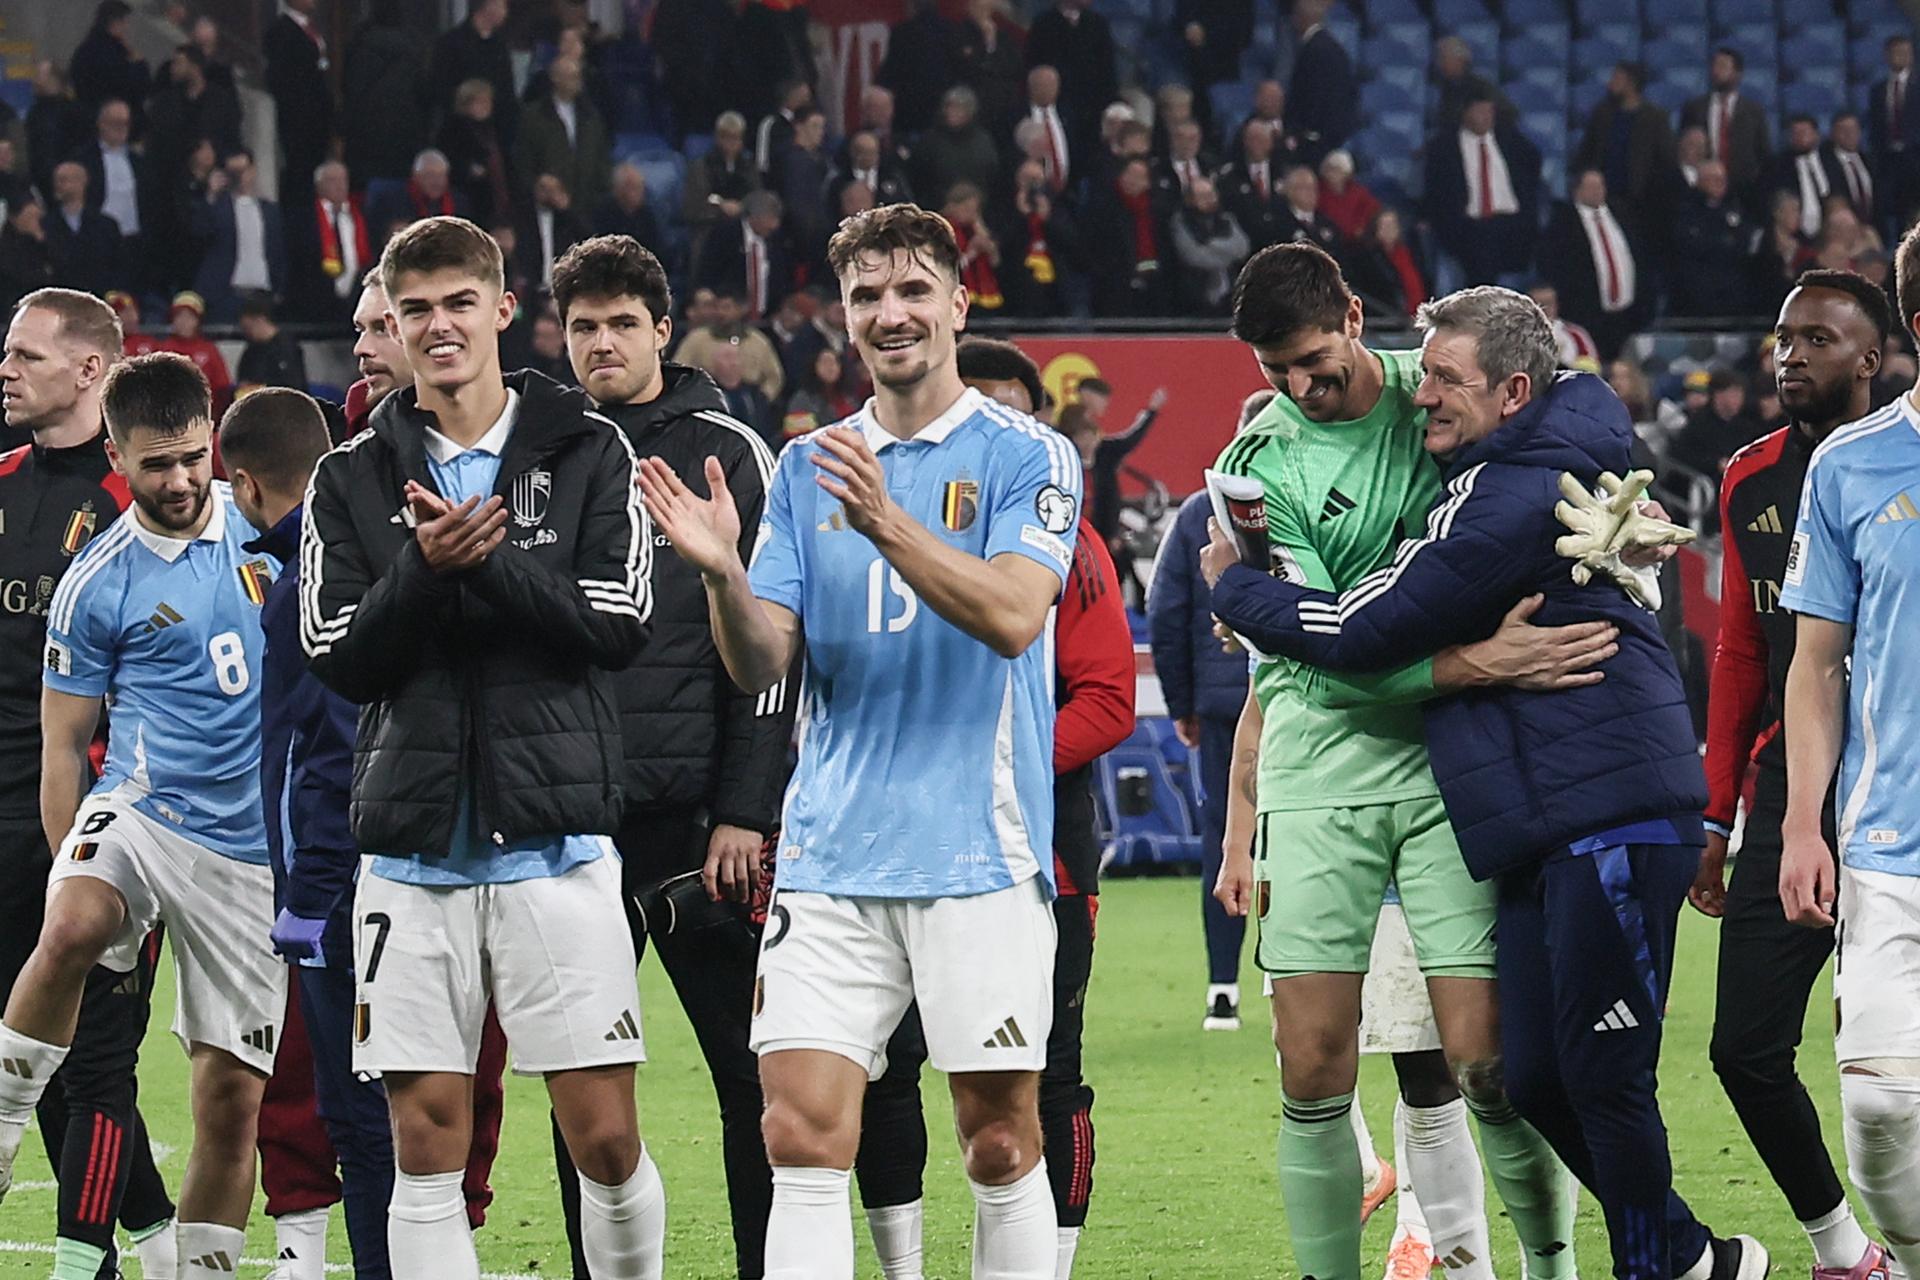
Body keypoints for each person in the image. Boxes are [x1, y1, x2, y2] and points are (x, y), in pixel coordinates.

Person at [1204, 281, 1766, 1280]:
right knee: (1536, 1074)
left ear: (1511, 390)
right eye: (1271, 370)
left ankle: (1648, 1267)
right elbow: (1584, 404)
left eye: (1446, 384)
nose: (1424, 399)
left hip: (1599, 798)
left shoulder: (1507, 483)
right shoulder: (1477, 451)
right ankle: (1687, 1257)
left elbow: (1369, 622)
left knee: (1575, 1072)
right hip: (1522, 812)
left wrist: (1238, 591)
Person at [638, 203, 1082, 1280]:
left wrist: (891, 522)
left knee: (998, 1135)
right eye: (867, 296)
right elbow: (762, 661)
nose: (891, 314)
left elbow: (1016, 615)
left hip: (977, 851)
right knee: (799, 1134)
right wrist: (722, 576)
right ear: (842, 315)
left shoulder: (1032, 454)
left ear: (956, 302)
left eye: (912, 290)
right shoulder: (804, 469)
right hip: (832, 854)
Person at [1202, 248, 1584, 1280]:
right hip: (1319, 772)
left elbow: (1563, 428)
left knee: (1489, 1062)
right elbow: (1322, 653)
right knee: (1315, 1063)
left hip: (1451, 768)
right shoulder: (1256, 465)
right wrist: (1475, 658)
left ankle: (1551, 1270)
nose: (1301, 387)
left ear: (1357, 318)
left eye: (1317, 361)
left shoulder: (1443, 395)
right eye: (1280, 369)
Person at [300, 216, 661, 1280]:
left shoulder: (590, 445)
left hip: (557, 845)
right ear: (394, 325)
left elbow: (618, 620)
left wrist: (481, 564)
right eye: (416, 310)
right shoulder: (351, 475)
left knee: (603, 1135)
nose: (439, 325)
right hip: (412, 855)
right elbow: (338, 654)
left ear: (505, 309)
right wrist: (423, 567)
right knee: (426, 1146)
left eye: (460, 302)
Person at [851, 336, 1135, 1280]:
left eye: (1016, 412)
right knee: (888, 1074)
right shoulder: (872, 520)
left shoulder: (1073, 547)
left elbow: (1107, 699)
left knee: (1046, 1078)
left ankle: (1043, 1269)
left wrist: (997, 763)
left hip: (1041, 856)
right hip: (892, 849)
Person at [0, 351, 285, 1280]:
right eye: (155, 463)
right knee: (76, 919)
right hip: (144, 810)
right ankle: (5, 1122)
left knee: (230, 1099)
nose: (179, 480)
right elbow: (60, 752)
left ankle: (197, 1270)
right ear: (116, 455)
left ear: (215, 441)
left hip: (252, 851)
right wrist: (67, 877)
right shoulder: (98, 581)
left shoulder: (273, 534)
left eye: (193, 457)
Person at [548, 233, 793, 1280]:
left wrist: (745, 806)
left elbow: (777, 642)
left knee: (758, 1086)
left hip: (698, 828)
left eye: (619, 323)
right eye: (581, 326)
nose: (601, 342)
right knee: (582, 1091)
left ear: (662, 328)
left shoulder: (728, 448)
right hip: (565, 826)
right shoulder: (541, 447)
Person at [1691, 271, 1892, 1280]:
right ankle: (1841, 1246)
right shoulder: (1750, 478)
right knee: (1745, 1047)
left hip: (1897, 785)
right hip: (1788, 793)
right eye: (1782, 337)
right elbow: (1739, 654)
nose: (1790, 355)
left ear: (1874, 357)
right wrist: (1718, 811)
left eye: (1818, 338)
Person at [0, 290, 179, 1280]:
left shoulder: (141, 509)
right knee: (40, 1063)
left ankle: (90, 1264)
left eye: (26, 354)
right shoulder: (3, 480)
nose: (6, 368)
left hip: (104, 826)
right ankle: (154, 1242)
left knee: (93, 1066)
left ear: (90, 371)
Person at [1778, 221, 1920, 1276]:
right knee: (1877, 1102)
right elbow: (1815, 662)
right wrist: (1799, 822)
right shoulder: (1852, 464)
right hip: (1888, 842)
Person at [1147, 388, 1265, 1027]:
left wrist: (1182, 702)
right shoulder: (1304, 499)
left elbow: (1166, 610)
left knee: (1227, 837)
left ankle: (1224, 988)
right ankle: (1295, 976)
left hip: (1222, 704)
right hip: (1299, 695)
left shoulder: (1197, 514)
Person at [235, 294, 308, 394]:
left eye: (248, 328)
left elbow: (293, 386)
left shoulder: (286, 348)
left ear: (260, 320)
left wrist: (260, 388)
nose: (247, 333)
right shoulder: (250, 351)